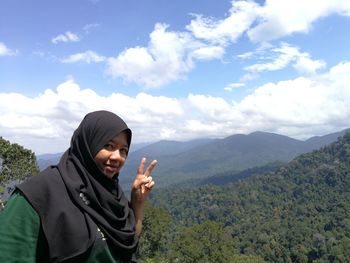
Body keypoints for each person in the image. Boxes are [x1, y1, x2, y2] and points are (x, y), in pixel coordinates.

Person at [0, 110, 157, 262]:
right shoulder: (38, 194)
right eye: (108, 145)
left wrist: (137, 203)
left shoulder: (111, 193)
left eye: (123, 150)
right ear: (88, 143)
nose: (117, 156)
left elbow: (128, 241)